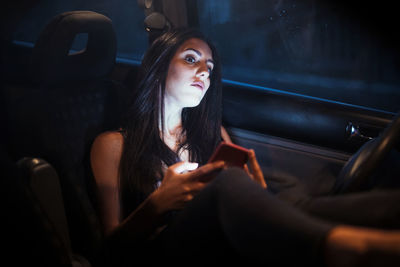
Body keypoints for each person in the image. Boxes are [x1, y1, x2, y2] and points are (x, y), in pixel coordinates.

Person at [90, 28, 400, 266]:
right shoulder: (114, 144)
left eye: (209, 67)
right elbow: (109, 252)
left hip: (217, 241)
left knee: (297, 204)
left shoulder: (211, 134)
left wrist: (256, 193)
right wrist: (158, 204)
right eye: (191, 58)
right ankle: (344, 249)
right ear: (158, 65)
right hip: (166, 251)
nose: (204, 72)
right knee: (228, 183)